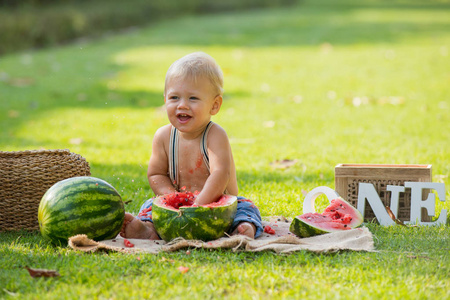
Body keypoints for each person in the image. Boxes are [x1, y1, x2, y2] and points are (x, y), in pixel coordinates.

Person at [121, 52, 263, 240]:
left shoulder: (215, 135)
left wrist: (198, 205)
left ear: (214, 105)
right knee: (150, 205)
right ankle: (147, 230)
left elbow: (220, 174)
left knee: (246, 207)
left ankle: (242, 229)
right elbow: (156, 174)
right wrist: (172, 200)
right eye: (174, 98)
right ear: (165, 99)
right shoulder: (163, 137)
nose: (182, 105)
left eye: (193, 99)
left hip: (219, 204)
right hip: (177, 208)